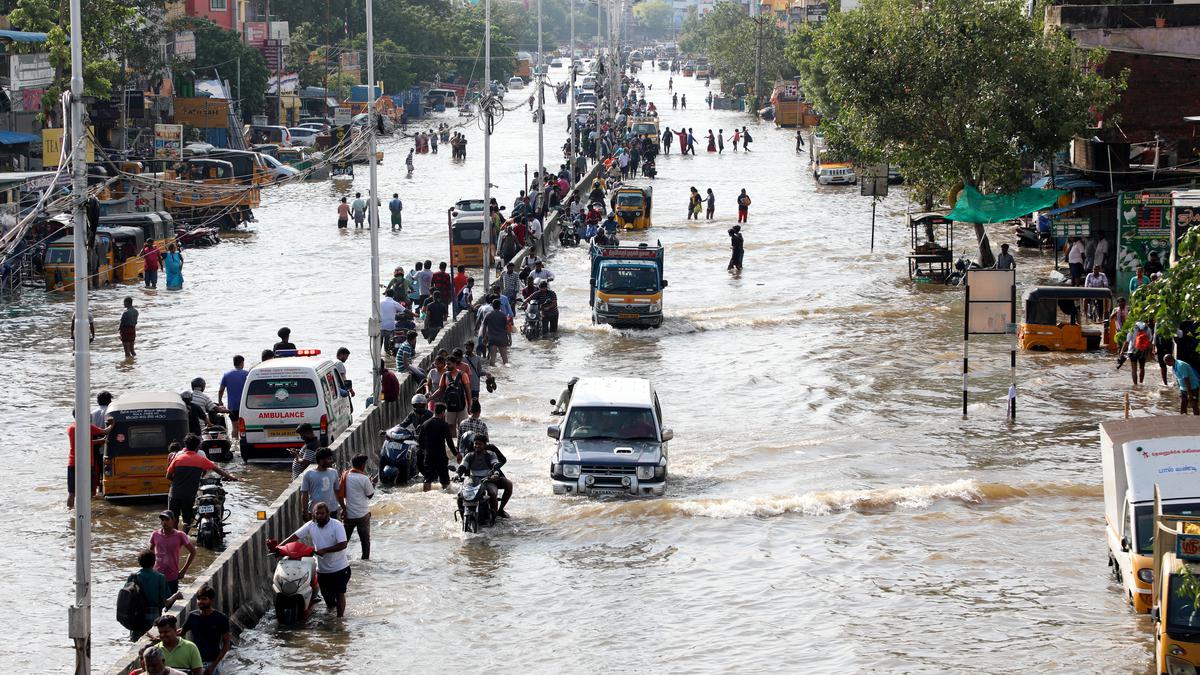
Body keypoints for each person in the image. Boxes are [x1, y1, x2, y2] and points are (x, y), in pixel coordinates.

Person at [278, 502, 350, 617]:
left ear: (328, 514)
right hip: (322, 570)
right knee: (328, 599)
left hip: (339, 568)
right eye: (317, 514)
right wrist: (279, 547)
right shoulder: (311, 525)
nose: (320, 516)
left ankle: (340, 620)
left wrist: (324, 550)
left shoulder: (336, 525)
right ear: (314, 514)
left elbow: (343, 544)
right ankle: (331, 617)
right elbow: (294, 536)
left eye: (322, 513)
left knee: (339, 593)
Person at [166, 434, 237, 532]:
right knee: (187, 519)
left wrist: (178, 483)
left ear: (185, 445)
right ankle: (183, 536)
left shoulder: (177, 458)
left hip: (174, 493)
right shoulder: (201, 459)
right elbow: (218, 470)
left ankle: (174, 538)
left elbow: (168, 476)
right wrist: (232, 478)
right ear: (198, 446)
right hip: (189, 494)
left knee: (174, 518)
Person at [127, 549, 180, 641]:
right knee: (152, 642)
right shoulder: (160, 577)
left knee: (136, 643)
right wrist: (176, 596)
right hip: (153, 616)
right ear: (154, 562)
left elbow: (127, 598)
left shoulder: (133, 577)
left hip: (136, 616)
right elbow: (165, 603)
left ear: (139, 562)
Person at [180, 585, 231, 675]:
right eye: (199, 599)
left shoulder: (221, 618)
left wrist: (214, 665)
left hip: (213, 662)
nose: (200, 602)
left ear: (211, 600)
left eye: (204, 599)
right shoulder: (192, 616)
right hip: (196, 662)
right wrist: (162, 636)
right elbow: (181, 632)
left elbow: (226, 644)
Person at [456, 433, 505, 518]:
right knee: (460, 496)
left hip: (487, 480)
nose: (477, 446)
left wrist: (496, 474)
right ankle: (462, 517)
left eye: (480, 444)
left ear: (485, 445)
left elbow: (495, 465)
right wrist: (457, 474)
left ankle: (494, 515)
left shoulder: (491, 454)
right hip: (472, 481)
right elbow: (462, 466)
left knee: (492, 493)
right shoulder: (469, 455)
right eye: (476, 443)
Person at [67, 414, 109, 508]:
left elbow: (82, 442)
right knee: (89, 490)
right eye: (89, 418)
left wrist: (99, 441)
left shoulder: (70, 428)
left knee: (72, 492)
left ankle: (70, 512)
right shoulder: (88, 427)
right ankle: (87, 510)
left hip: (72, 462)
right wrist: (112, 424)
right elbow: (105, 431)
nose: (90, 419)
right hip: (87, 463)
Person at [150, 510, 195, 595]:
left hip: (172, 576)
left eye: (167, 519)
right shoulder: (155, 534)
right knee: (157, 603)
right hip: (157, 575)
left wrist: (183, 571)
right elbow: (150, 552)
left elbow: (193, 552)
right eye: (162, 520)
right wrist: (150, 569)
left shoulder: (180, 535)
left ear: (173, 521)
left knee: (171, 604)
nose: (164, 522)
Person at [339, 454, 375, 559]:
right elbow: (370, 495)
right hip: (362, 515)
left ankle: (339, 559)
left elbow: (340, 494)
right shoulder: (364, 478)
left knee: (344, 540)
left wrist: (344, 509)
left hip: (348, 514)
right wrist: (372, 483)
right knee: (365, 541)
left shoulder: (346, 475)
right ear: (363, 465)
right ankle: (365, 562)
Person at [418, 404, 458, 491]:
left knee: (427, 479)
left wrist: (424, 450)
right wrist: (456, 454)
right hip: (441, 456)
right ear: (443, 412)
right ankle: (446, 496)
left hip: (429, 456)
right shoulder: (444, 425)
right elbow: (449, 442)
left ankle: (425, 496)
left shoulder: (425, 424)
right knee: (444, 481)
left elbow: (420, 441)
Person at [301, 448, 341, 520]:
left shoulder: (334, 472)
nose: (331, 461)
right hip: (315, 511)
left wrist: (342, 507)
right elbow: (305, 494)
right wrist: (305, 511)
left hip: (331, 510)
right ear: (321, 460)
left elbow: (337, 491)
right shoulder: (308, 474)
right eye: (329, 459)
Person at [217, 356, 249, 426]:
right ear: (242, 363)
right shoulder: (247, 374)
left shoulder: (226, 375)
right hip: (245, 405)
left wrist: (220, 401)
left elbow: (221, 390)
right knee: (245, 427)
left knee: (235, 427)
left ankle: (235, 437)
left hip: (233, 406)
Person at [1127, 321, 1154, 386]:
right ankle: (1141, 383)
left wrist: (1121, 351)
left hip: (1132, 350)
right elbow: (1150, 340)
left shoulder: (1132, 328)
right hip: (1143, 350)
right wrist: (1150, 352)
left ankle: (1135, 385)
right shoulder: (1147, 328)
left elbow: (1127, 340)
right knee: (1142, 368)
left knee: (1134, 370)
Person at [380, 291, 401, 356]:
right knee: (387, 344)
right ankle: (387, 358)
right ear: (393, 295)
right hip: (390, 326)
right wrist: (414, 314)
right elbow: (404, 310)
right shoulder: (394, 303)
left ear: (385, 294)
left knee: (379, 343)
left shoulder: (380, 302)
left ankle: (378, 358)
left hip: (380, 326)